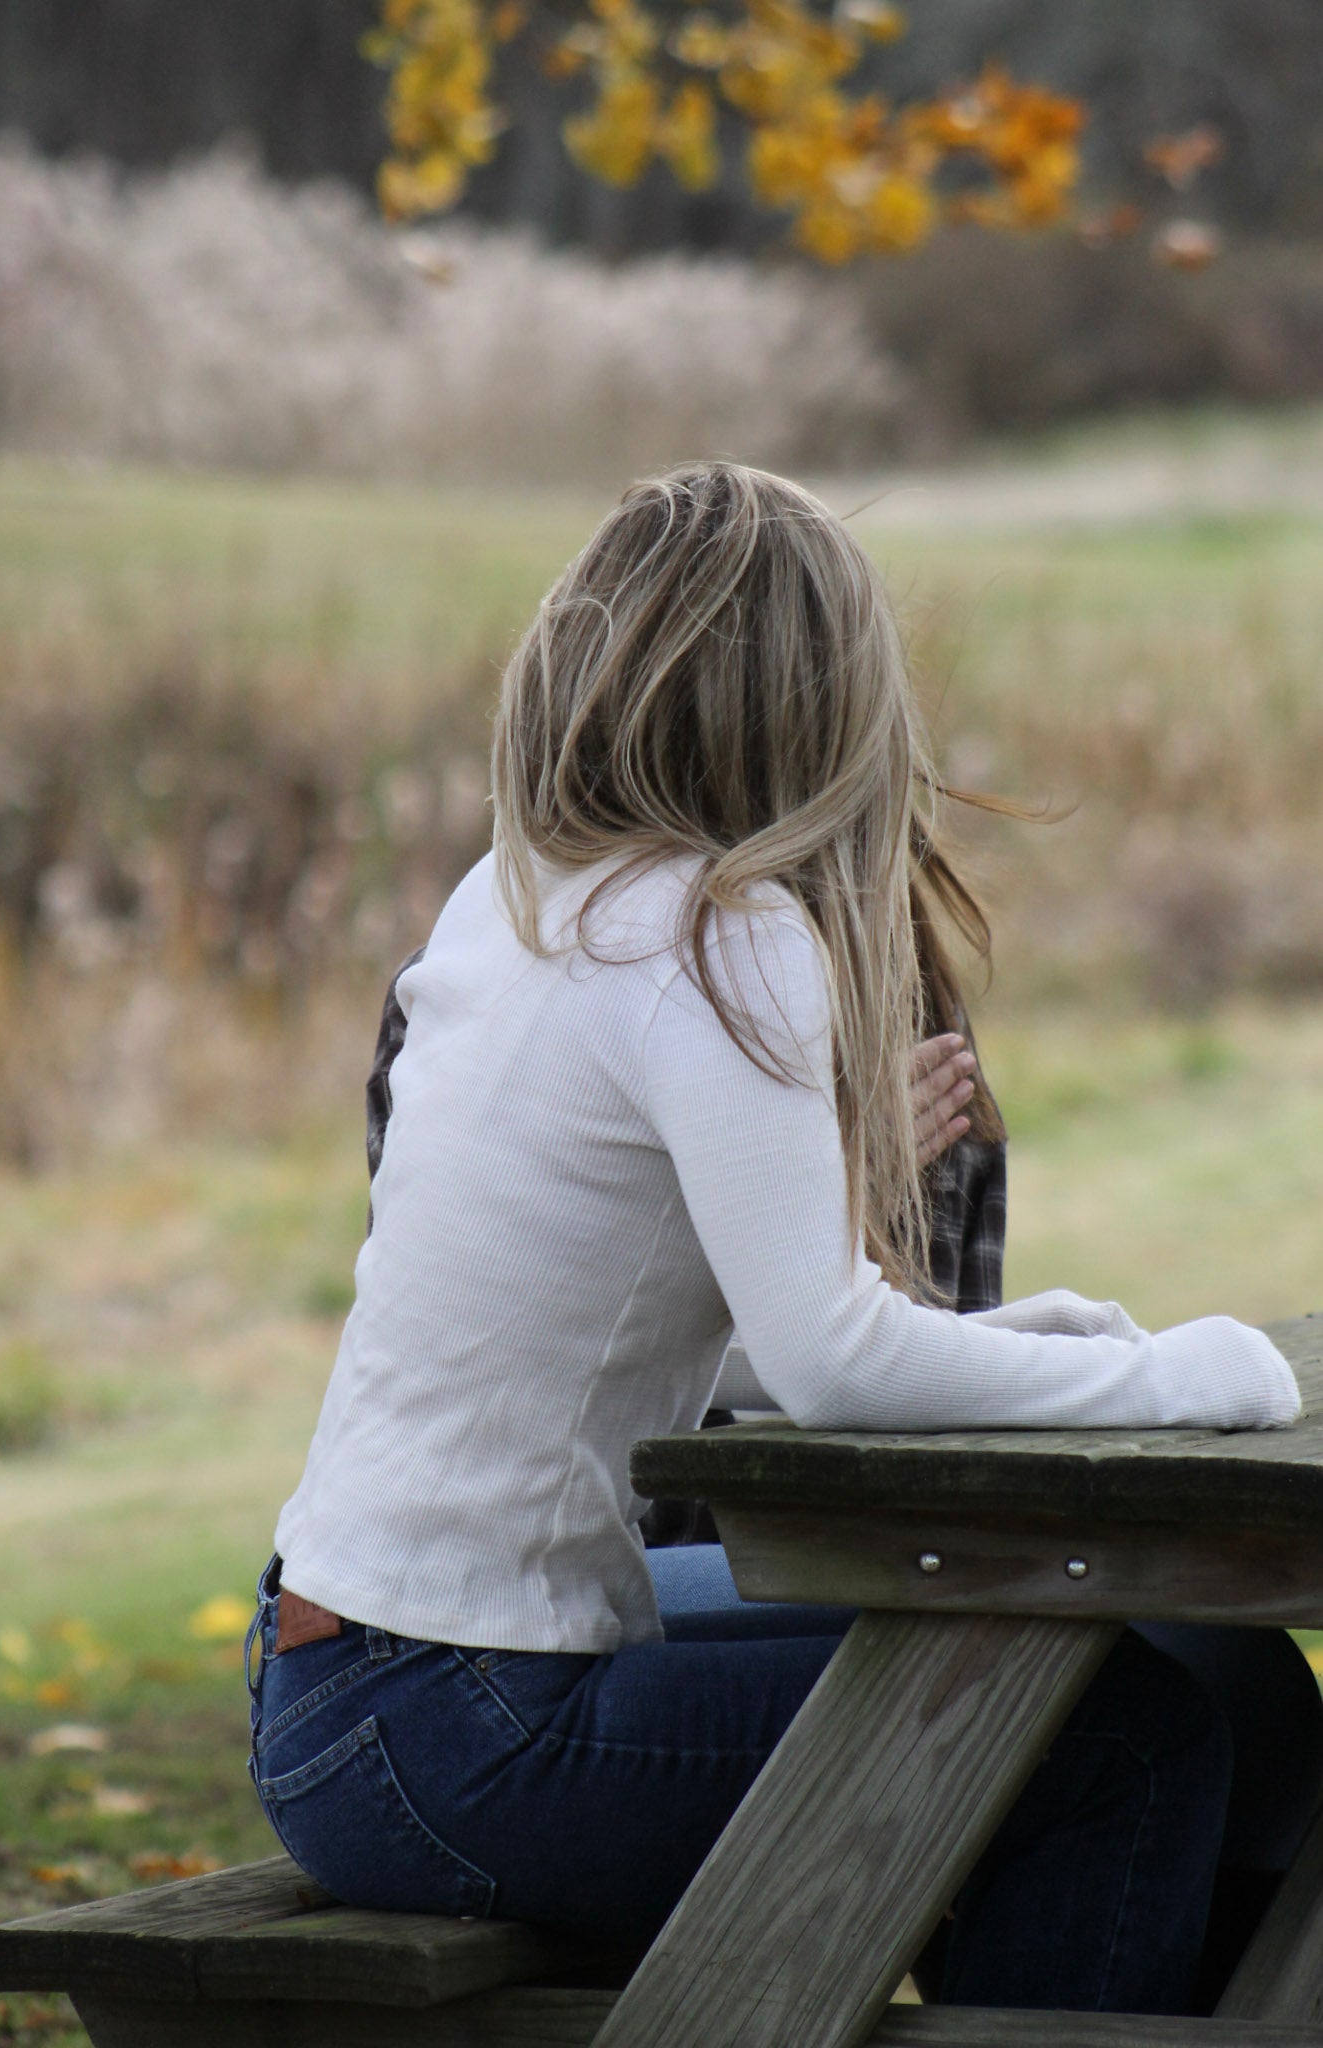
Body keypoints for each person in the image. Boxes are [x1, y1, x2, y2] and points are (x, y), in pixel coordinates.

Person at [245, 461, 1312, 2015]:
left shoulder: (523, 893)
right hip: (453, 1729)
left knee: (1186, 1656)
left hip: (333, 1685)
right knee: (1120, 1743)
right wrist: (1192, 1377)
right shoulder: (724, 937)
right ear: (821, 701)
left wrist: (1029, 1339)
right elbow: (828, 1364)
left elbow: (682, 1332)